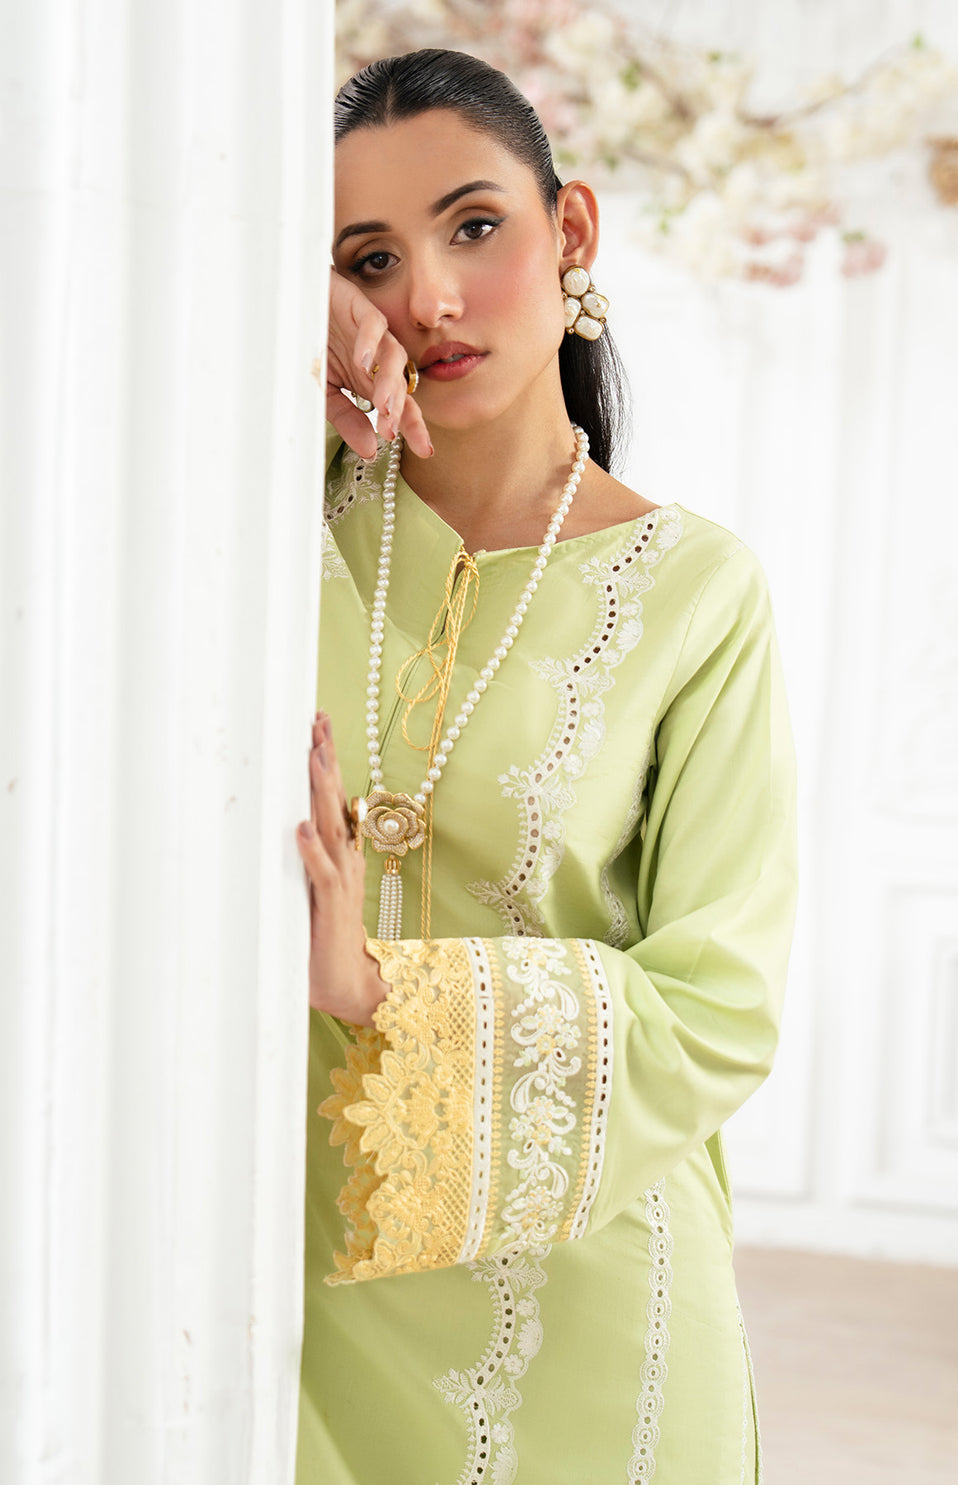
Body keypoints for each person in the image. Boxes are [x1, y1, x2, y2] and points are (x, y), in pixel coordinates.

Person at [294, 48, 797, 1484]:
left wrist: (383, 990)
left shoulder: (697, 593)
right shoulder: (269, 524)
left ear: (570, 229)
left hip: (585, 1302)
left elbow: (719, 1008)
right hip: (292, 1268)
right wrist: (270, 324)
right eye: (369, 258)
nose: (429, 299)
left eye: (473, 227)